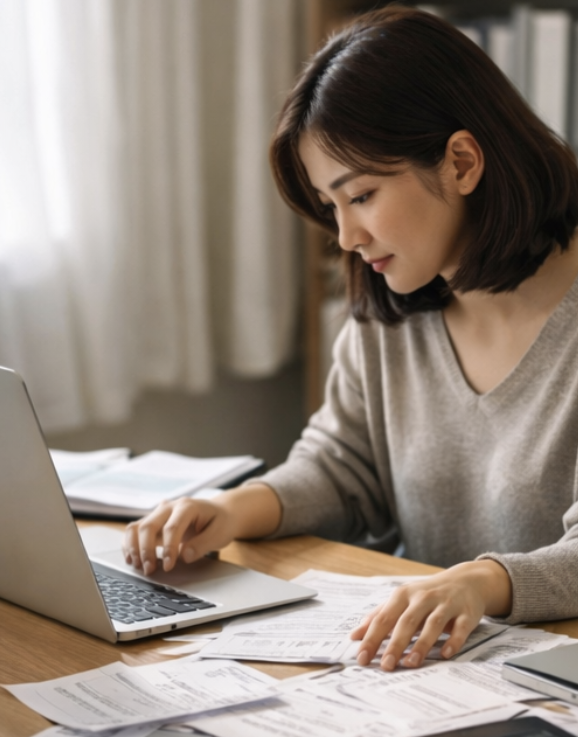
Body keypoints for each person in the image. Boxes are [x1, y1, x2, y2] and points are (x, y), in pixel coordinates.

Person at [123, 6, 578, 672]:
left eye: (360, 194)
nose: (346, 236)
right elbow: (344, 466)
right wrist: (231, 508)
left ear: (461, 161)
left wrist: (480, 582)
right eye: (329, 205)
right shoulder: (393, 305)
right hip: (425, 674)